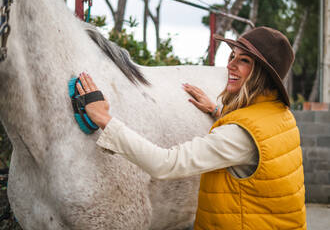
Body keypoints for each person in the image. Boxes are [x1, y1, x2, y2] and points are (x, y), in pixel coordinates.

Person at [76, 27, 306, 229]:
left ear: (261, 74)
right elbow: (254, 140)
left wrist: (105, 119)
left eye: (244, 60)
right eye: (232, 56)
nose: (230, 65)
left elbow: (166, 164)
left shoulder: (239, 135)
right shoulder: (280, 116)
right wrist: (217, 111)